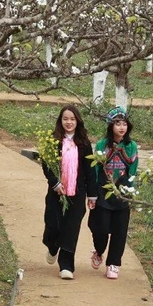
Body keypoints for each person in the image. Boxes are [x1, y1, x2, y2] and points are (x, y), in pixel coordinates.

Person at [39, 105, 97, 279]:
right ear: (60, 121)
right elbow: (47, 164)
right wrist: (55, 183)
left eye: (72, 119)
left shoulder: (84, 143)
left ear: (77, 121)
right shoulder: (53, 139)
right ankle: (52, 246)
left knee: (71, 229)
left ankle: (66, 266)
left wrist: (92, 194)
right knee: (53, 224)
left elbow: (89, 171)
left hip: (77, 193)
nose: (69, 122)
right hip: (56, 191)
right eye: (65, 119)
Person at [87, 108, 138, 279]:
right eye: (117, 124)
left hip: (122, 192)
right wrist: (92, 193)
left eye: (124, 124)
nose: (121, 127)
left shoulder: (131, 146)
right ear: (110, 126)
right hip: (103, 191)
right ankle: (99, 251)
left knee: (120, 229)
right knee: (99, 227)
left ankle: (114, 263)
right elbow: (95, 169)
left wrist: (129, 191)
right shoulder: (102, 145)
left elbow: (133, 170)